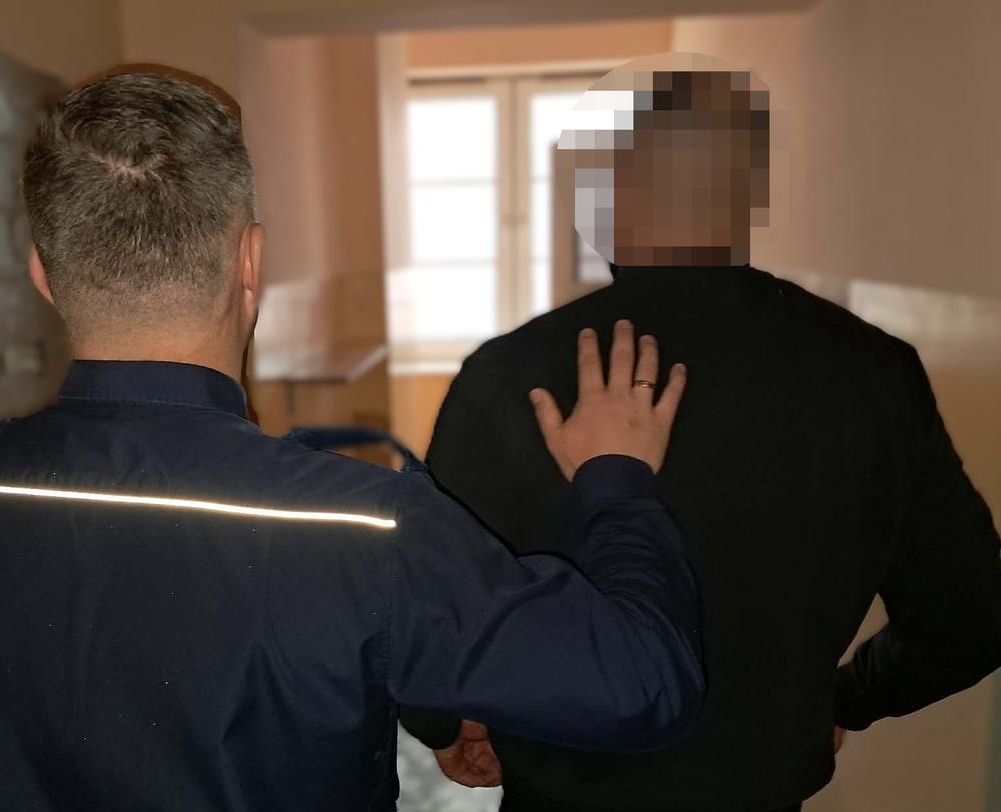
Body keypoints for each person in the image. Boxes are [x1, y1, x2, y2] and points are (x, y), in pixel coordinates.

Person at [0, 70, 705, 812]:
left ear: (43, 276)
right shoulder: (367, 532)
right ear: (251, 261)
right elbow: (644, 685)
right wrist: (615, 476)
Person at [403, 59, 1001, 811]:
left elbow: (428, 607)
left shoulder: (511, 375)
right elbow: (973, 617)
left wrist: (448, 719)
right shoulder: (876, 372)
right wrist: (842, 700)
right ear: (747, 193)